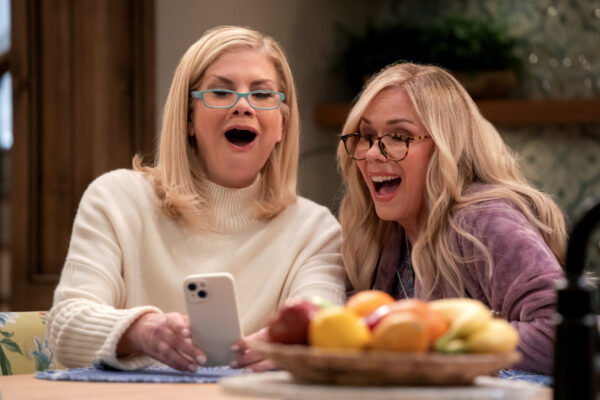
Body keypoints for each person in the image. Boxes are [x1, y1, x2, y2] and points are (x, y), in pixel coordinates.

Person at [47, 25, 346, 373]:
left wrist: (298, 345)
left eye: (262, 94)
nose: (243, 106)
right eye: (221, 91)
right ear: (189, 117)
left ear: (282, 125)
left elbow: (321, 329)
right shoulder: (115, 199)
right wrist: (142, 331)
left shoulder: (315, 230)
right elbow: (65, 327)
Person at [336, 62, 566, 375]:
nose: (373, 153)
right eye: (366, 135)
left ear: (448, 147)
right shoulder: (383, 231)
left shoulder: (485, 220)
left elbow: (561, 334)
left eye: (399, 136)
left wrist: (434, 345)